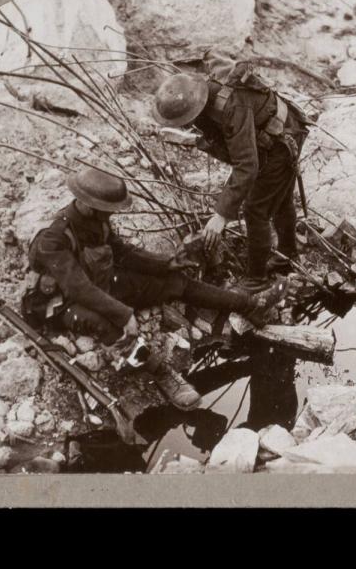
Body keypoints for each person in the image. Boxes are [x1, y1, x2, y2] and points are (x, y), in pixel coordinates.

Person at [26, 165, 285, 410]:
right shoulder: (54, 238)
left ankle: (251, 306)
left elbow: (123, 254)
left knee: (176, 283)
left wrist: (167, 263)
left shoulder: (96, 220)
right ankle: (162, 373)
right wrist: (123, 313)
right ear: (88, 205)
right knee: (109, 326)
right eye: (107, 208)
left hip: (101, 284)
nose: (111, 214)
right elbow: (78, 289)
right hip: (66, 304)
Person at [152, 54, 310, 290]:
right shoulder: (204, 95)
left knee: (255, 209)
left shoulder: (231, 106)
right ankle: (288, 256)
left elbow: (247, 165)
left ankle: (256, 279)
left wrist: (221, 215)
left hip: (283, 140)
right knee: (280, 198)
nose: (184, 126)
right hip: (272, 138)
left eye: (185, 121)